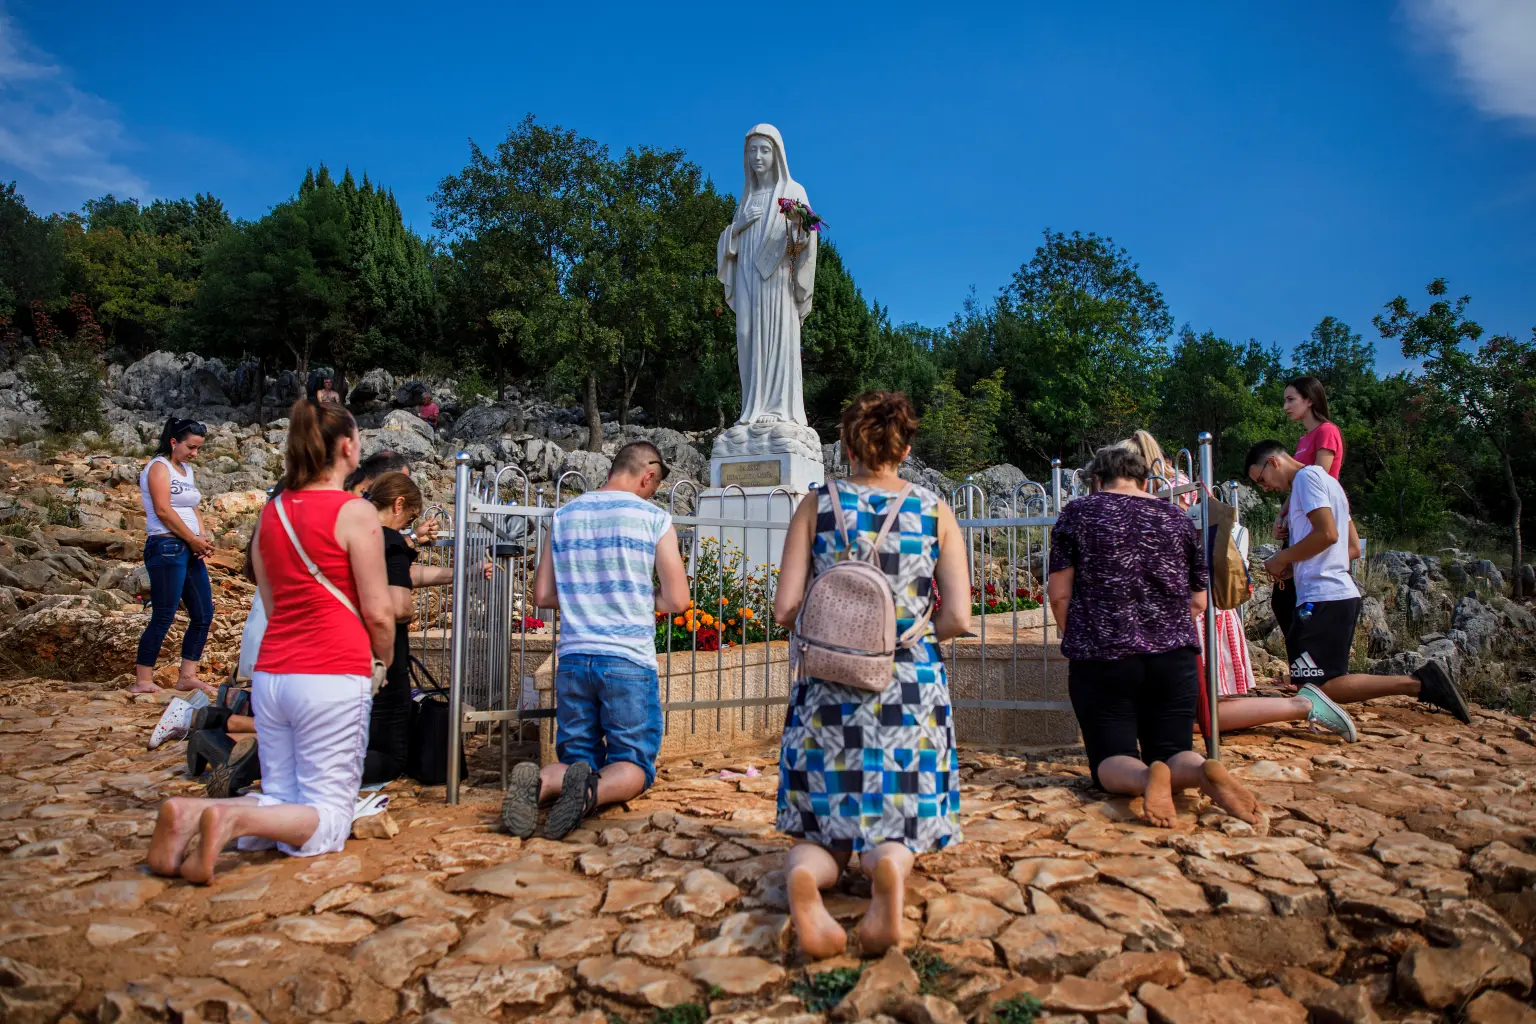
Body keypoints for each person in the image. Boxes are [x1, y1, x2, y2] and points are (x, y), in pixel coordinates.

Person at [146, 397, 395, 884]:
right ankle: (229, 816)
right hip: (331, 673)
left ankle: (189, 814)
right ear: (347, 447)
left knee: (282, 794)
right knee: (329, 817)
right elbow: (379, 611)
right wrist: (380, 662)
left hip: (274, 675)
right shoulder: (354, 513)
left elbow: (274, 602)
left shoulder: (273, 513)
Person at [774, 391, 972, 960]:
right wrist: (905, 634)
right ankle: (888, 867)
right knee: (895, 830)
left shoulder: (818, 505)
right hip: (908, 687)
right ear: (905, 447)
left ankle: (807, 883)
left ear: (846, 445)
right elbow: (957, 615)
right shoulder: (934, 510)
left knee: (819, 834)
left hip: (827, 690)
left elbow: (786, 608)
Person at [1047, 443, 1261, 832]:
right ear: (1146, 481)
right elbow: (1199, 600)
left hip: (1104, 657)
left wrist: (1078, 636)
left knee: (1110, 759)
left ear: (1097, 480)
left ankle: (1147, 779)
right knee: (1174, 749)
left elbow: (1060, 593)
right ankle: (1200, 772)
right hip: (1173, 657)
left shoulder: (1078, 513)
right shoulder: (1176, 518)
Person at [499, 441, 691, 840]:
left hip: (573, 656)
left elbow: (543, 596)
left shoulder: (565, 515)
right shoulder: (653, 518)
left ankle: (540, 784)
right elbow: (677, 599)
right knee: (632, 763)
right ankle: (590, 793)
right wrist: (638, 599)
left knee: (578, 756)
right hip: (627, 659)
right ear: (648, 475)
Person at [1246, 441, 1469, 723]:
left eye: (1261, 479)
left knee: (1318, 688)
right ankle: (1420, 682)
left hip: (1324, 595)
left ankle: (1420, 683)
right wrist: (1296, 566)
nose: (1265, 487)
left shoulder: (1305, 478)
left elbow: (1327, 534)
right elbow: (1352, 548)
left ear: (1274, 462)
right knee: (1312, 684)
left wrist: (1282, 558)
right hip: (1334, 592)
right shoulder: (1329, 482)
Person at [364, 471, 469, 784]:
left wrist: (463, 571)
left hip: (348, 653)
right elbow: (398, 607)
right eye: (408, 517)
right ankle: (301, 770)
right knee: (389, 757)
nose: (406, 526)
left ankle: (281, 763)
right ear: (398, 504)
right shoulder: (389, 539)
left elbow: (407, 573)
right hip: (384, 661)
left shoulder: (358, 536)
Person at [133, 418, 217, 697]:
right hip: (166, 546)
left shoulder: (186, 471)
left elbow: (193, 508)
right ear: (174, 442)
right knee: (164, 614)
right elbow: (163, 510)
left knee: (203, 613)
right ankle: (143, 679)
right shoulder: (159, 467)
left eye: (197, 449)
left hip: (190, 548)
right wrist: (191, 539)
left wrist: (202, 538)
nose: (194, 453)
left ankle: (187, 676)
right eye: (190, 447)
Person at [1272, 376, 1345, 635]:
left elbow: (1319, 478)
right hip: (1301, 519)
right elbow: (1298, 485)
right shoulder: (1303, 440)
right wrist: (1284, 513)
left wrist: (1289, 509)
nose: (1286, 406)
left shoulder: (1327, 431)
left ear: (1309, 400)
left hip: (1319, 517)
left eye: (1291, 399)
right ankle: (1299, 669)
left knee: (1288, 602)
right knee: (1283, 599)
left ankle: (1305, 669)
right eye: (1285, 400)